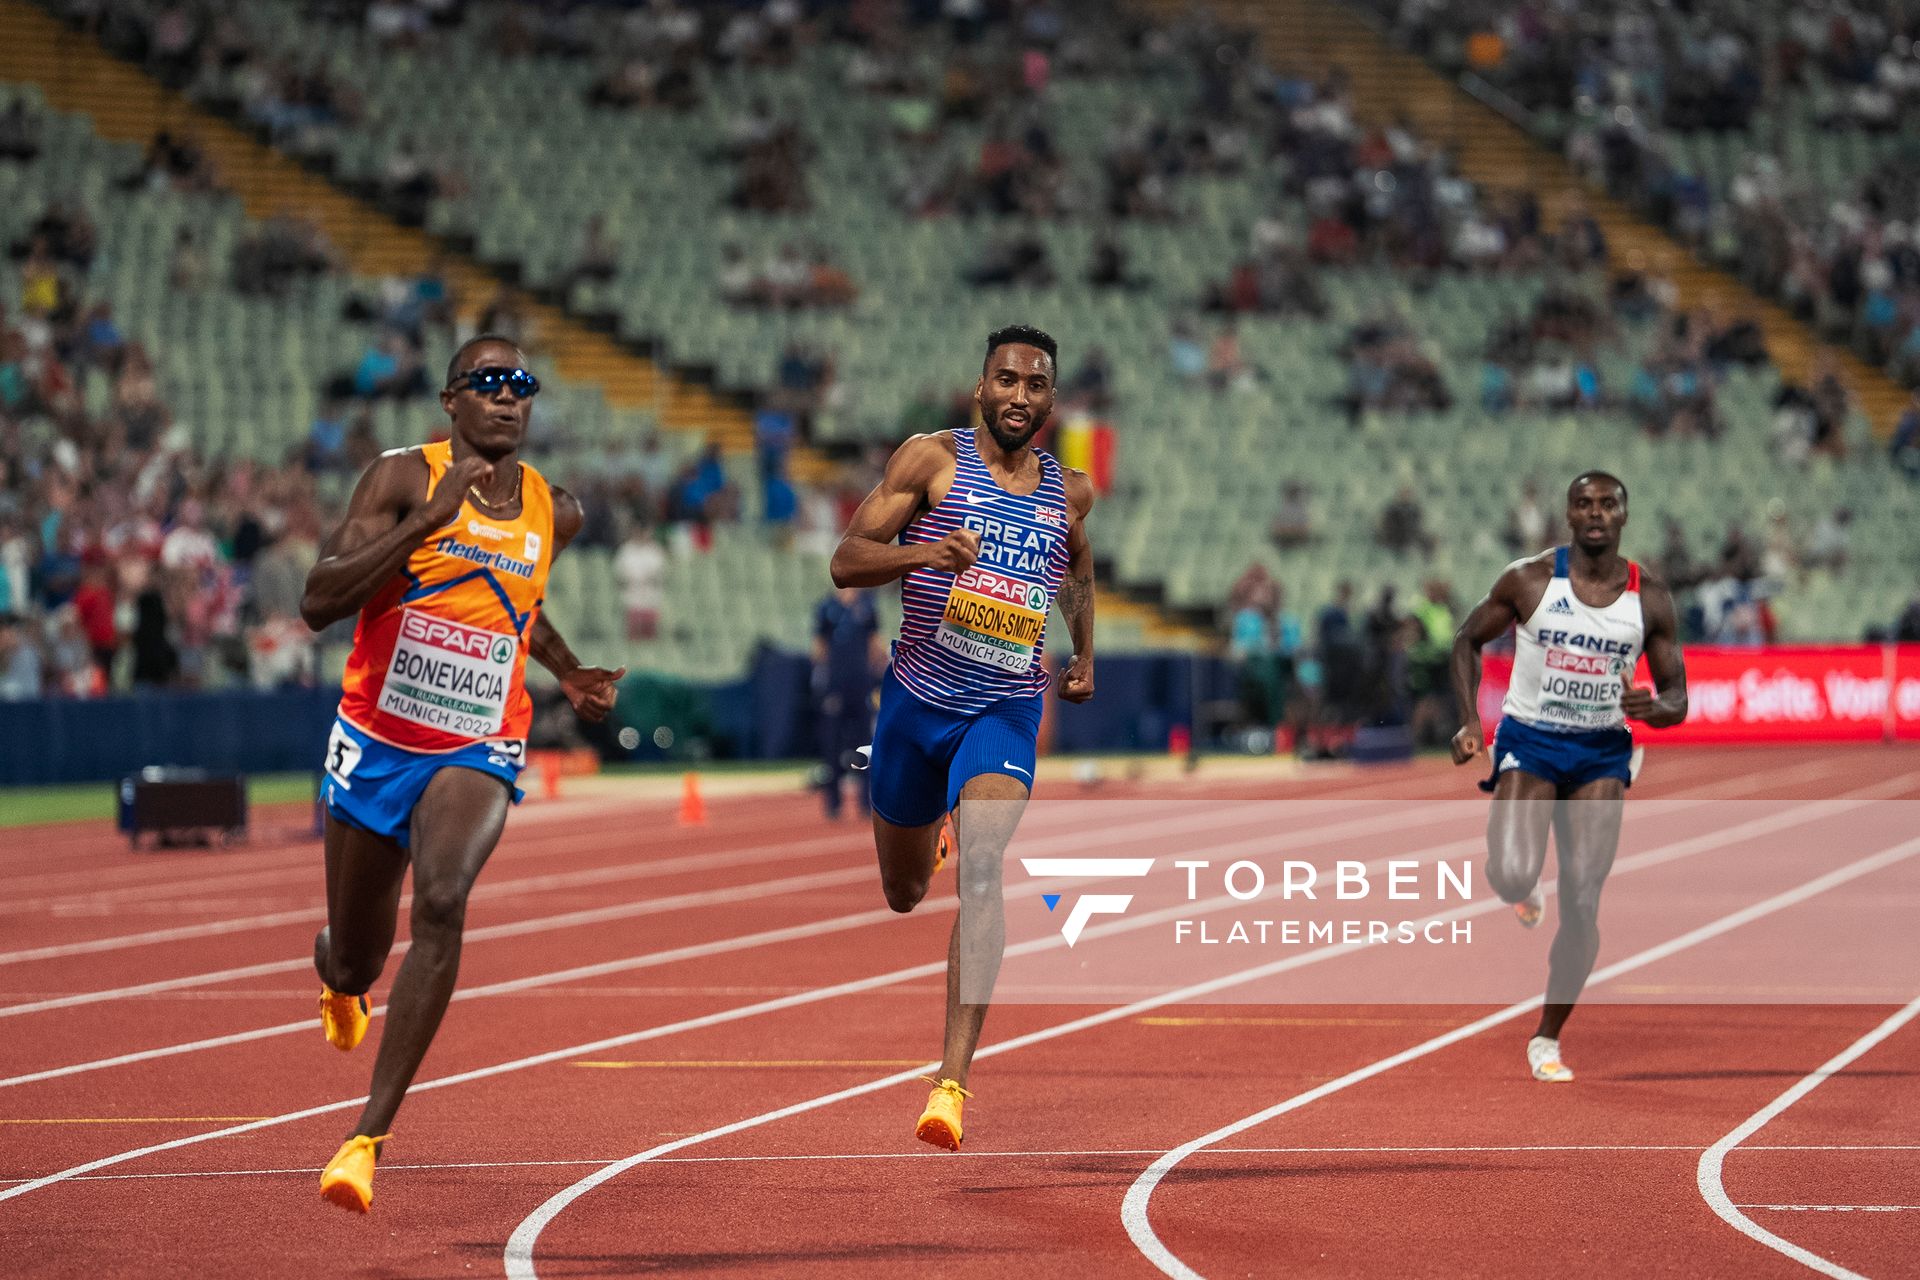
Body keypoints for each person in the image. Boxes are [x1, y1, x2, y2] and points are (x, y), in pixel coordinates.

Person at [300, 335, 625, 1212]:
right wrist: (423, 523)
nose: (508, 397)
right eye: (488, 382)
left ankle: (366, 1137)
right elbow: (317, 601)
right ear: (451, 398)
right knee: (356, 954)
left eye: (522, 385)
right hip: (376, 740)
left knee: (442, 898)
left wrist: (568, 669)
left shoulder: (554, 509)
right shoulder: (402, 478)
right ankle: (337, 979)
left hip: (477, 739)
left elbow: (518, 610)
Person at [830, 324, 1095, 1151]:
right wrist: (926, 554)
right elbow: (846, 561)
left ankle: (950, 1084)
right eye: (1006, 381)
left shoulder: (1069, 490)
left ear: (1052, 400)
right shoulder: (930, 461)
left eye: (1037, 385)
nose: (1020, 396)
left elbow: (1076, 569)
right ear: (980, 388)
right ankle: (928, 825)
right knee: (904, 893)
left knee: (984, 863)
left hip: (1006, 709)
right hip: (915, 705)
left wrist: (1084, 651)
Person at [1449, 472, 1688, 1084]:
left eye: (1608, 504)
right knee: (1508, 874)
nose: (1597, 513)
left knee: (1583, 899)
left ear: (1625, 515)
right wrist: (1469, 720)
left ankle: (1547, 1038)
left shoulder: (1650, 597)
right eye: (1585, 503)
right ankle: (1521, 889)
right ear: (1569, 515)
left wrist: (1653, 711)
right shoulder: (1530, 580)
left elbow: (1677, 696)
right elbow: (1466, 640)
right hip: (1531, 740)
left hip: (1602, 753)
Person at [811, 584, 885, 819]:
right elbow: (819, 644)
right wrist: (825, 674)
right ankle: (833, 803)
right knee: (832, 744)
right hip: (836, 684)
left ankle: (866, 802)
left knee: (865, 743)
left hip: (861, 683)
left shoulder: (867, 605)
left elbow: (874, 641)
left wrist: (874, 670)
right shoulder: (826, 607)